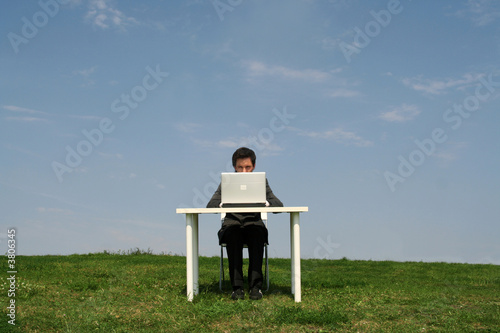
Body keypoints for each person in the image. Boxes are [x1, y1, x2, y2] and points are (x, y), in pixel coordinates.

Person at [207, 147, 283, 300]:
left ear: (253, 166)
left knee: (256, 233)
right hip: (231, 225)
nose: (244, 171)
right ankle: (237, 288)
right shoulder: (226, 183)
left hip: (254, 225)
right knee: (233, 234)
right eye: (240, 167)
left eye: (248, 167)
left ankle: (255, 288)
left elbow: (278, 205)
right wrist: (224, 204)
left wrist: (265, 203)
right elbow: (211, 205)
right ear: (234, 167)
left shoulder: (261, 182)